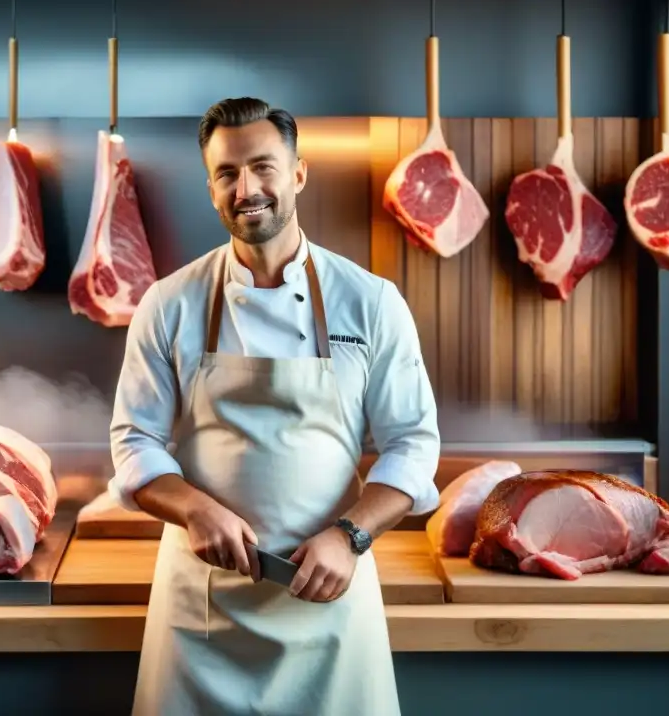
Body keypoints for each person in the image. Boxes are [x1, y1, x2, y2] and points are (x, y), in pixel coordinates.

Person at [109, 97, 441, 716]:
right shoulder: (168, 303)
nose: (247, 188)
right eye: (228, 174)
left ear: (298, 173)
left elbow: (414, 445)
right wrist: (195, 509)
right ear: (211, 188)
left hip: (332, 590)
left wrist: (350, 535)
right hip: (204, 606)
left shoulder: (370, 301)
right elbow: (134, 441)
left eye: (263, 167)